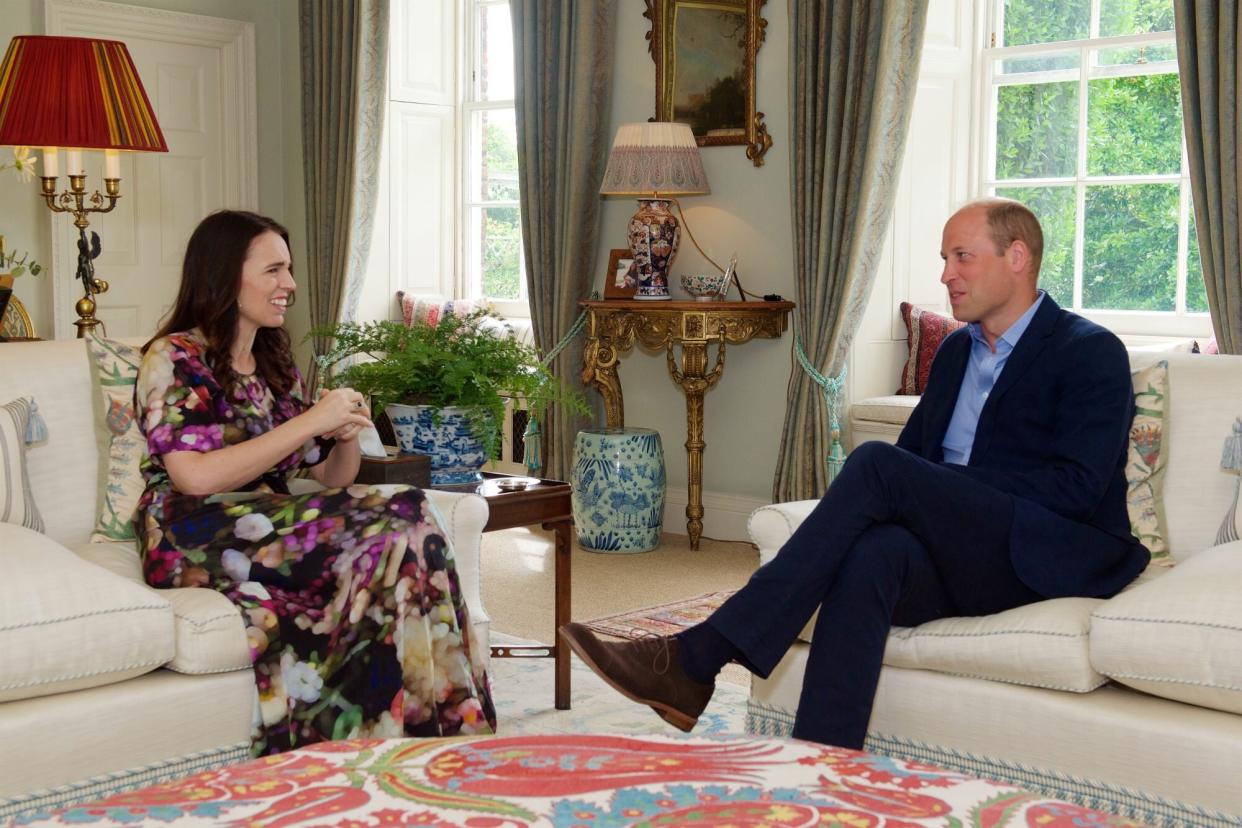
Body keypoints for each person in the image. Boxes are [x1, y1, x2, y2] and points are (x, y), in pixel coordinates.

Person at [560, 198, 1150, 748]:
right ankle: (823, 761)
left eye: (962, 257)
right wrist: (933, 498)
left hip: (1042, 553)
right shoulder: (955, 355)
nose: (947, 274)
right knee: (875, 555)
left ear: (1017, 257)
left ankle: (696, 657)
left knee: (876, 463)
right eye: (944, 259)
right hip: (961, 555)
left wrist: (945, 494)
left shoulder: (1087, 350)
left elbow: (1075, 490)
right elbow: (918, 468)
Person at [134, 210, 495, 755]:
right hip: (193, 532)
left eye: (290, 269)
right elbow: (193, 475)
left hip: (268, 522)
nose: (291, 286)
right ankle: (424, 731)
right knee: (401, 512)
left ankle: (430, 731)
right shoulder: (175, 357)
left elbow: (329, 476)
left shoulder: (272, 362)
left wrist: (345, 430)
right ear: (227, 275)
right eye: (275, 270)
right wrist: (311, 420)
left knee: (409, 517)